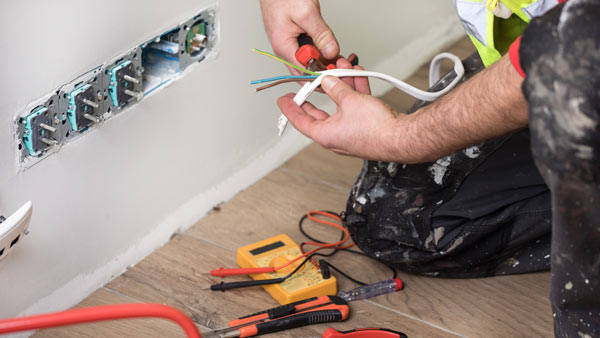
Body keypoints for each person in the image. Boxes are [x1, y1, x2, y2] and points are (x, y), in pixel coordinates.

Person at [259, 0, 599, 336]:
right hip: (543, 60)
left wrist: (400, 136)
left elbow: (572, 49)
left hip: (579, 62)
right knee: (393, 216)